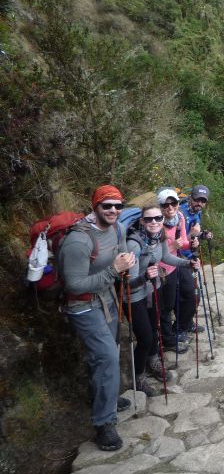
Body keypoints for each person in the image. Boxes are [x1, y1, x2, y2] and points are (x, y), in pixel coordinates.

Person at [59, 185, 135, 452]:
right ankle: (104, 422)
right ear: (95, 207)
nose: (114, 210)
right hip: (82, 306)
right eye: (107, 205)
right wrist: (114, 271)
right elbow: (74, 285)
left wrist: (128, 262)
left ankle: (105, 397)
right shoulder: (78, 241)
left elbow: (121, 255)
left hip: (107, 299)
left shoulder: (117, 228)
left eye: (118, 206)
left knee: (106, 353)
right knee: (107, 357)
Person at [123, 203, 199, 396]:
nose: (154, 222)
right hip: (133, 296)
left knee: (155, 328)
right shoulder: (134, 244)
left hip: (153, 289)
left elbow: (166, 257)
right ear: (142, 221)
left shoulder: (160, 237)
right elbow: (128, 282)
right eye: (149, 219)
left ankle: (153, 361)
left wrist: (187, 263)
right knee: (145, 337)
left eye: (158, 218)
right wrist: (145, 277)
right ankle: (139, 377)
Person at [156, 188, 195, 354]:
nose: (170, 207)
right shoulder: (155, 224)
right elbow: (155, 254)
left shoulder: (179, 218)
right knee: (164, 307)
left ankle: (173, 334)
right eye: (166, 204)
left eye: (174, 203)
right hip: (159, 270)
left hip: (173, 267)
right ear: (160, 206)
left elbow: (183, 241)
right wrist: (173, 246)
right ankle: (167, 340)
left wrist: (192, 242)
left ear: (178, 204)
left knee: (173, 302)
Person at [175, 185, 213, 341]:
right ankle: (179, 329)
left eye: (203, 201)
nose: (200, 203)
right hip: (179, 259)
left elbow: (193, 236)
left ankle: (187, 322)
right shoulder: (180, 214)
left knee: (195, 294)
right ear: (191, 198)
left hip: (191, 257)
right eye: (197, 199)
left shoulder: (197, 212)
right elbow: (177, 241)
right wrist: (193, 234)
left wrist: (203, 235)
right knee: (189, 295)